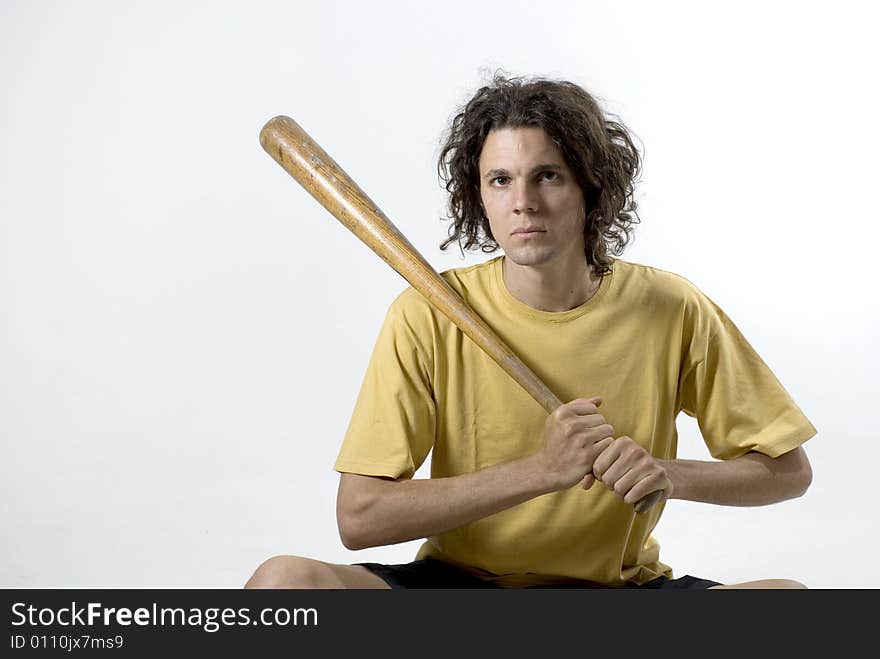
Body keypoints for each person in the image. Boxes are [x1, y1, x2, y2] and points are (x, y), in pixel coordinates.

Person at [245, 73, 816, 589]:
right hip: (456, 587)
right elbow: (360, 516)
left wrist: (664, 472)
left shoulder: (671, 308)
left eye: (547, 176)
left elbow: (787, 472)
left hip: (614, 593)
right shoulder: (425, 314)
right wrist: (542, 472)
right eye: (500, 180)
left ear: (591, 188)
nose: (523, 203)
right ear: (480, 199)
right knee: (284, 584)